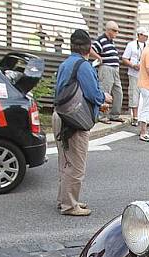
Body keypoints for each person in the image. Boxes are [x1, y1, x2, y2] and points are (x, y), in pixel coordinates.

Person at [53, 29, 112, 216]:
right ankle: (70, 206)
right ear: (89, 47)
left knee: (65, 162)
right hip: (73, 122)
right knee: (77, 166)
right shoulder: (83, 66)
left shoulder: (66, 64)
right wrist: (106, 97)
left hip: (60, 116)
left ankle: (65, 200)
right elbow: (93, 94)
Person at [90, 21, 123, 123]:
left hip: (115, 69)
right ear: (109, 30)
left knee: (118, 92)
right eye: (115, 30)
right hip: (106, 69)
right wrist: (99, 57)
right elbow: (91, 49)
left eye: (117, 31)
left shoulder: (111, 41)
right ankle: (102, 116)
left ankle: (115, 115)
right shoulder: (102, 39)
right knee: (105, 92)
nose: (116, 33)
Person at [121, 27, 148, 127]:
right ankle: (135, 117)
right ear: (139, 35)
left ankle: (145, 117)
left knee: (146, 96)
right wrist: (132, 65)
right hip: (133, 73)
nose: (146, 37)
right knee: (134, 95)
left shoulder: (147, 46)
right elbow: (124, 58)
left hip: (145, 75)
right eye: (144, 35)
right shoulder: (131, 45)